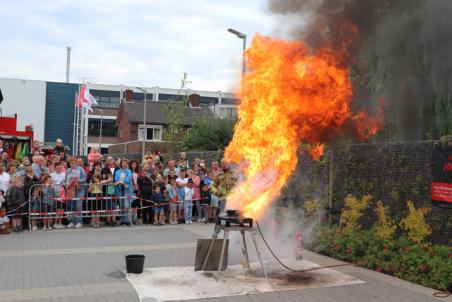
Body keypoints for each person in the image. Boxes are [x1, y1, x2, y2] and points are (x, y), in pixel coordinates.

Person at [66, 157, 86, 228]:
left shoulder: (80, 169)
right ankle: (72, 221)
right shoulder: (68, 170)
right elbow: (67, 179)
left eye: (74, 163)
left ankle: (79, 221)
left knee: (78, 205)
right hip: (71, 190)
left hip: (80, 189)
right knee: (72, 206)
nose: (72, 164)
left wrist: (78, 181)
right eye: (71, 163)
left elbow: (84, 178)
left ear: (76, 163)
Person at [114, 159, 133, 225]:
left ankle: (126, 219)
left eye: (125, 163)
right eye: (123, 163)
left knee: (126, 205)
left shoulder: (129, 171)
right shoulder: (117, 172)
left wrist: (121, 181)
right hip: (120, 190)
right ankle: (122, 219)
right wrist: (120, 181)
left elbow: (128, 179)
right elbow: (116, 179)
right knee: (121, 206)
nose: (124, 164)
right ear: (121, 164)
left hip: (127, 190)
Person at [51, 162, 66, 229]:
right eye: (57, 168)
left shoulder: (64, 174)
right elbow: (51, 184)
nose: (58, 169)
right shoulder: (51, 175)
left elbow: (65, 183)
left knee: (61, 210)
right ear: (54, 168)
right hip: (55, 195)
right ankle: (55, 223)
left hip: (62, 195)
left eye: (60, 168)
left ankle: (60, 223)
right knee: (57, 210)